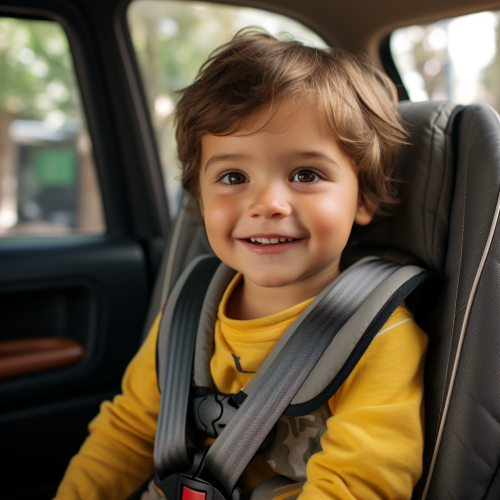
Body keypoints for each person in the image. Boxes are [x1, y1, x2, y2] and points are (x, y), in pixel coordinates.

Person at [54, 28, 427, 500]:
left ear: (364, 197)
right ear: (200, 199)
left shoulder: (380, 337)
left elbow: (357, 485)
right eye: (233, 176)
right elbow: (128, 431)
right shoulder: (189, 309)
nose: (268, 202)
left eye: (306, 174)